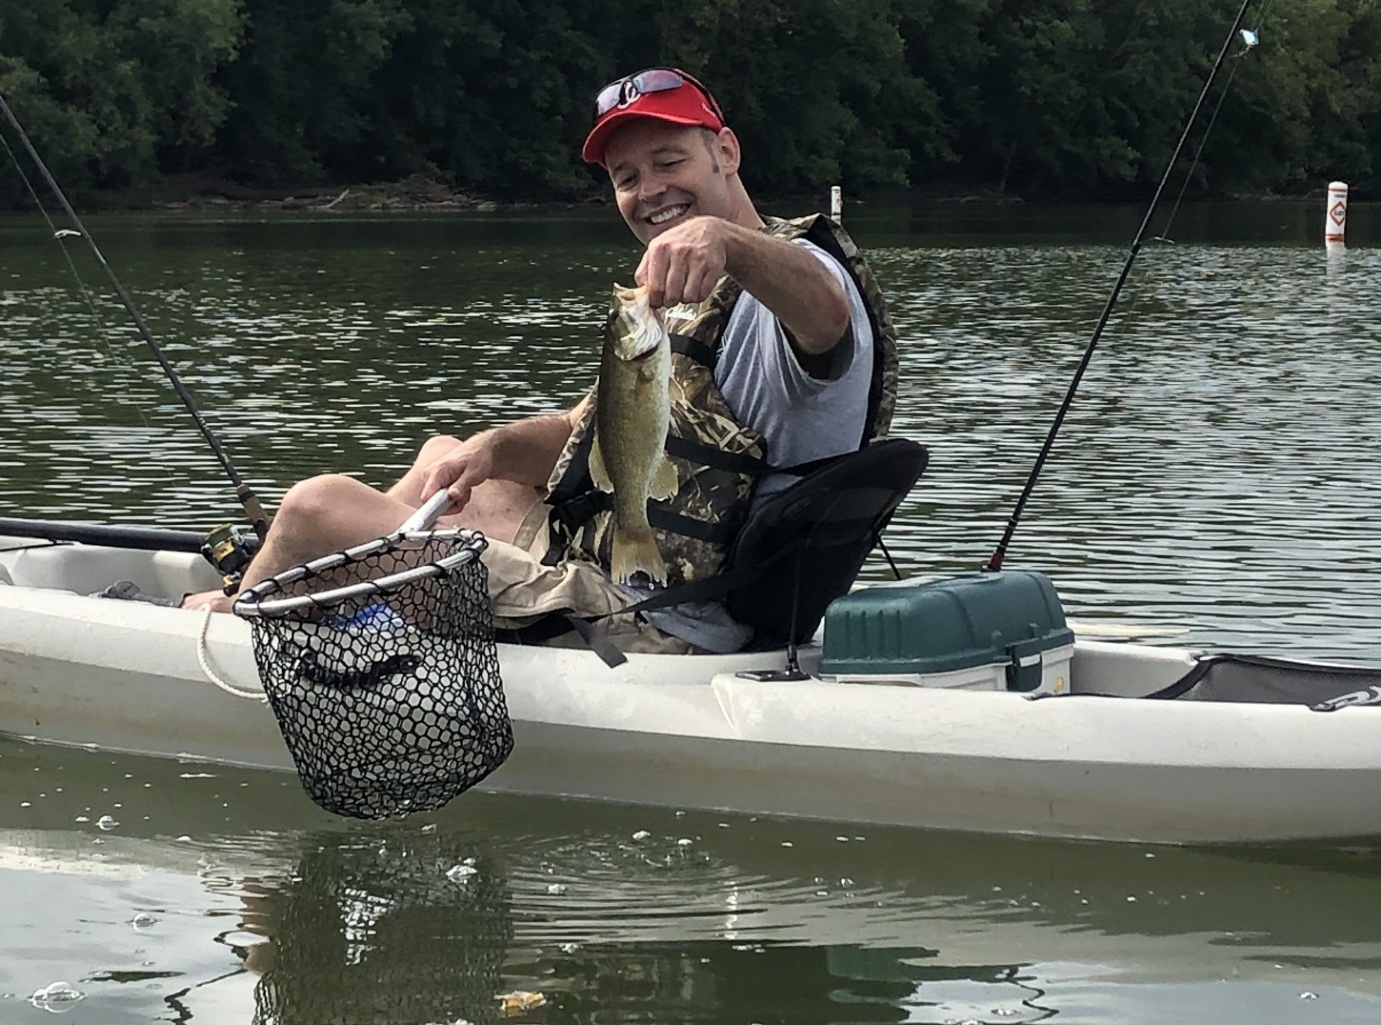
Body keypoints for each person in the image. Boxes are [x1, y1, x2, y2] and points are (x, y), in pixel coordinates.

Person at [185, 70, 897, 653]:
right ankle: (306, 591)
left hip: (665, 626)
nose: (650, 191)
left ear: (727, 152)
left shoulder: (789, 282)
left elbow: (826, 313)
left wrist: (726, 240)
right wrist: (491, 450)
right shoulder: (678, 297)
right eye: (627, 176)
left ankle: (238, 619)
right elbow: (587, 435)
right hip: (610, 572)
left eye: (670, 161)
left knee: (317, 504)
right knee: (449, 455)